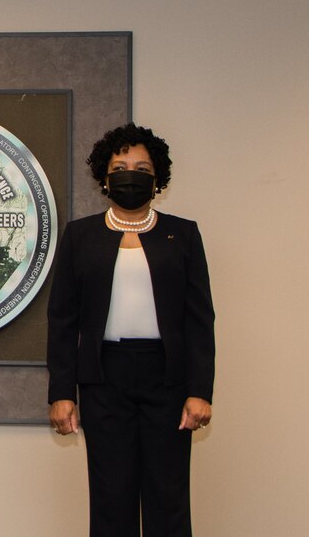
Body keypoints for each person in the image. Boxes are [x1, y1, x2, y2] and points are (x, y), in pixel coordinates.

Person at [47, 122, 215, 536]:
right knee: (110, 497)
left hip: (168, 380)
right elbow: (63, 319)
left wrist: (200, 391)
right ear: (105, 178)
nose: (130, 175)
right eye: (120, 166)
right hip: (104, 379)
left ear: (157, 179)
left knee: (168, 497)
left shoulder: (184, 234)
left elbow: (199, 319)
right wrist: (62, 393)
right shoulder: (80, 236)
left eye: (141, 168)